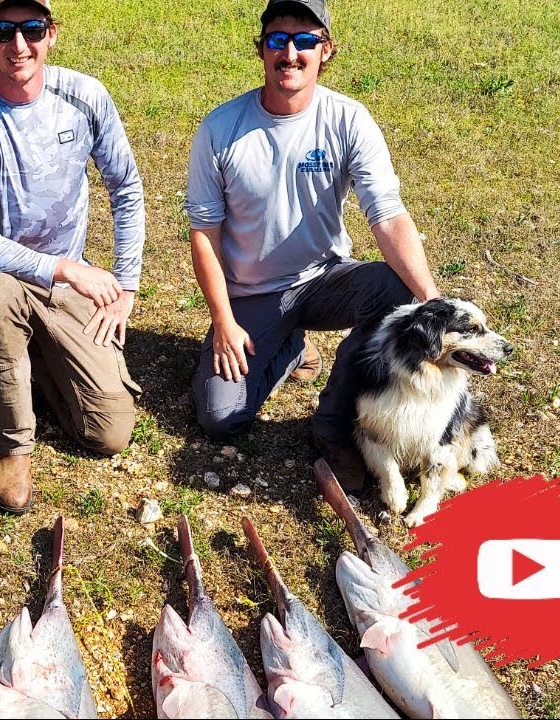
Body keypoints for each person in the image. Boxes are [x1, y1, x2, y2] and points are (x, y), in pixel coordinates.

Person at [184, 0, 441, 492]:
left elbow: (387, 213)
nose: (290, 53)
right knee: (220, 418)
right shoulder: (221, 128)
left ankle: (333, 424)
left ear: (326, 50)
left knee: (398, 289)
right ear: (261, 49)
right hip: (253, 293)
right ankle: (290, 348)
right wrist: (223, 320)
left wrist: (430, 299)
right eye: (277, 39)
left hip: (325, 279)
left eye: (304, 40)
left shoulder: (348, 119)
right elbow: (204, 233)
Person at [0, 0, 147, 514]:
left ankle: (25, 365)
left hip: (66, 286)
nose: (19, 45)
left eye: (32, 29)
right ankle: (11, 444)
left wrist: (126, 285)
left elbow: (126, 188)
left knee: (109, 431)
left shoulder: (84, 96)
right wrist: (64, 268)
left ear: (51, 33)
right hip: (2, 276)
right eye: (2, 31)